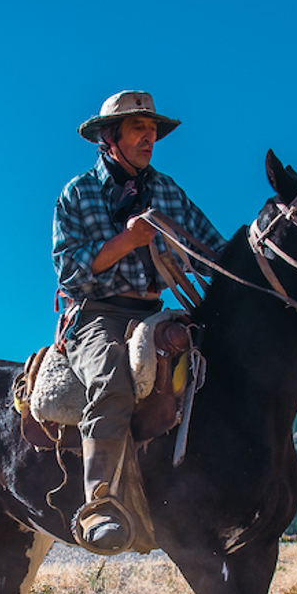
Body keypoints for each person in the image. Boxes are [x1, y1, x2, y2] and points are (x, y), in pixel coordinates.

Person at [52, 90, 228, 553]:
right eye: (138, 128)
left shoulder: (168, 191)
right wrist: (127, 242)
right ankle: (101, 505)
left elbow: (212, 252)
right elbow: (69, 271)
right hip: (98, 314)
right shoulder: (77, 194)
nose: (150, 137)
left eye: (153, 130)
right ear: (110, 137)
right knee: (111, 380)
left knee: (222, 367)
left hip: (157, 310)